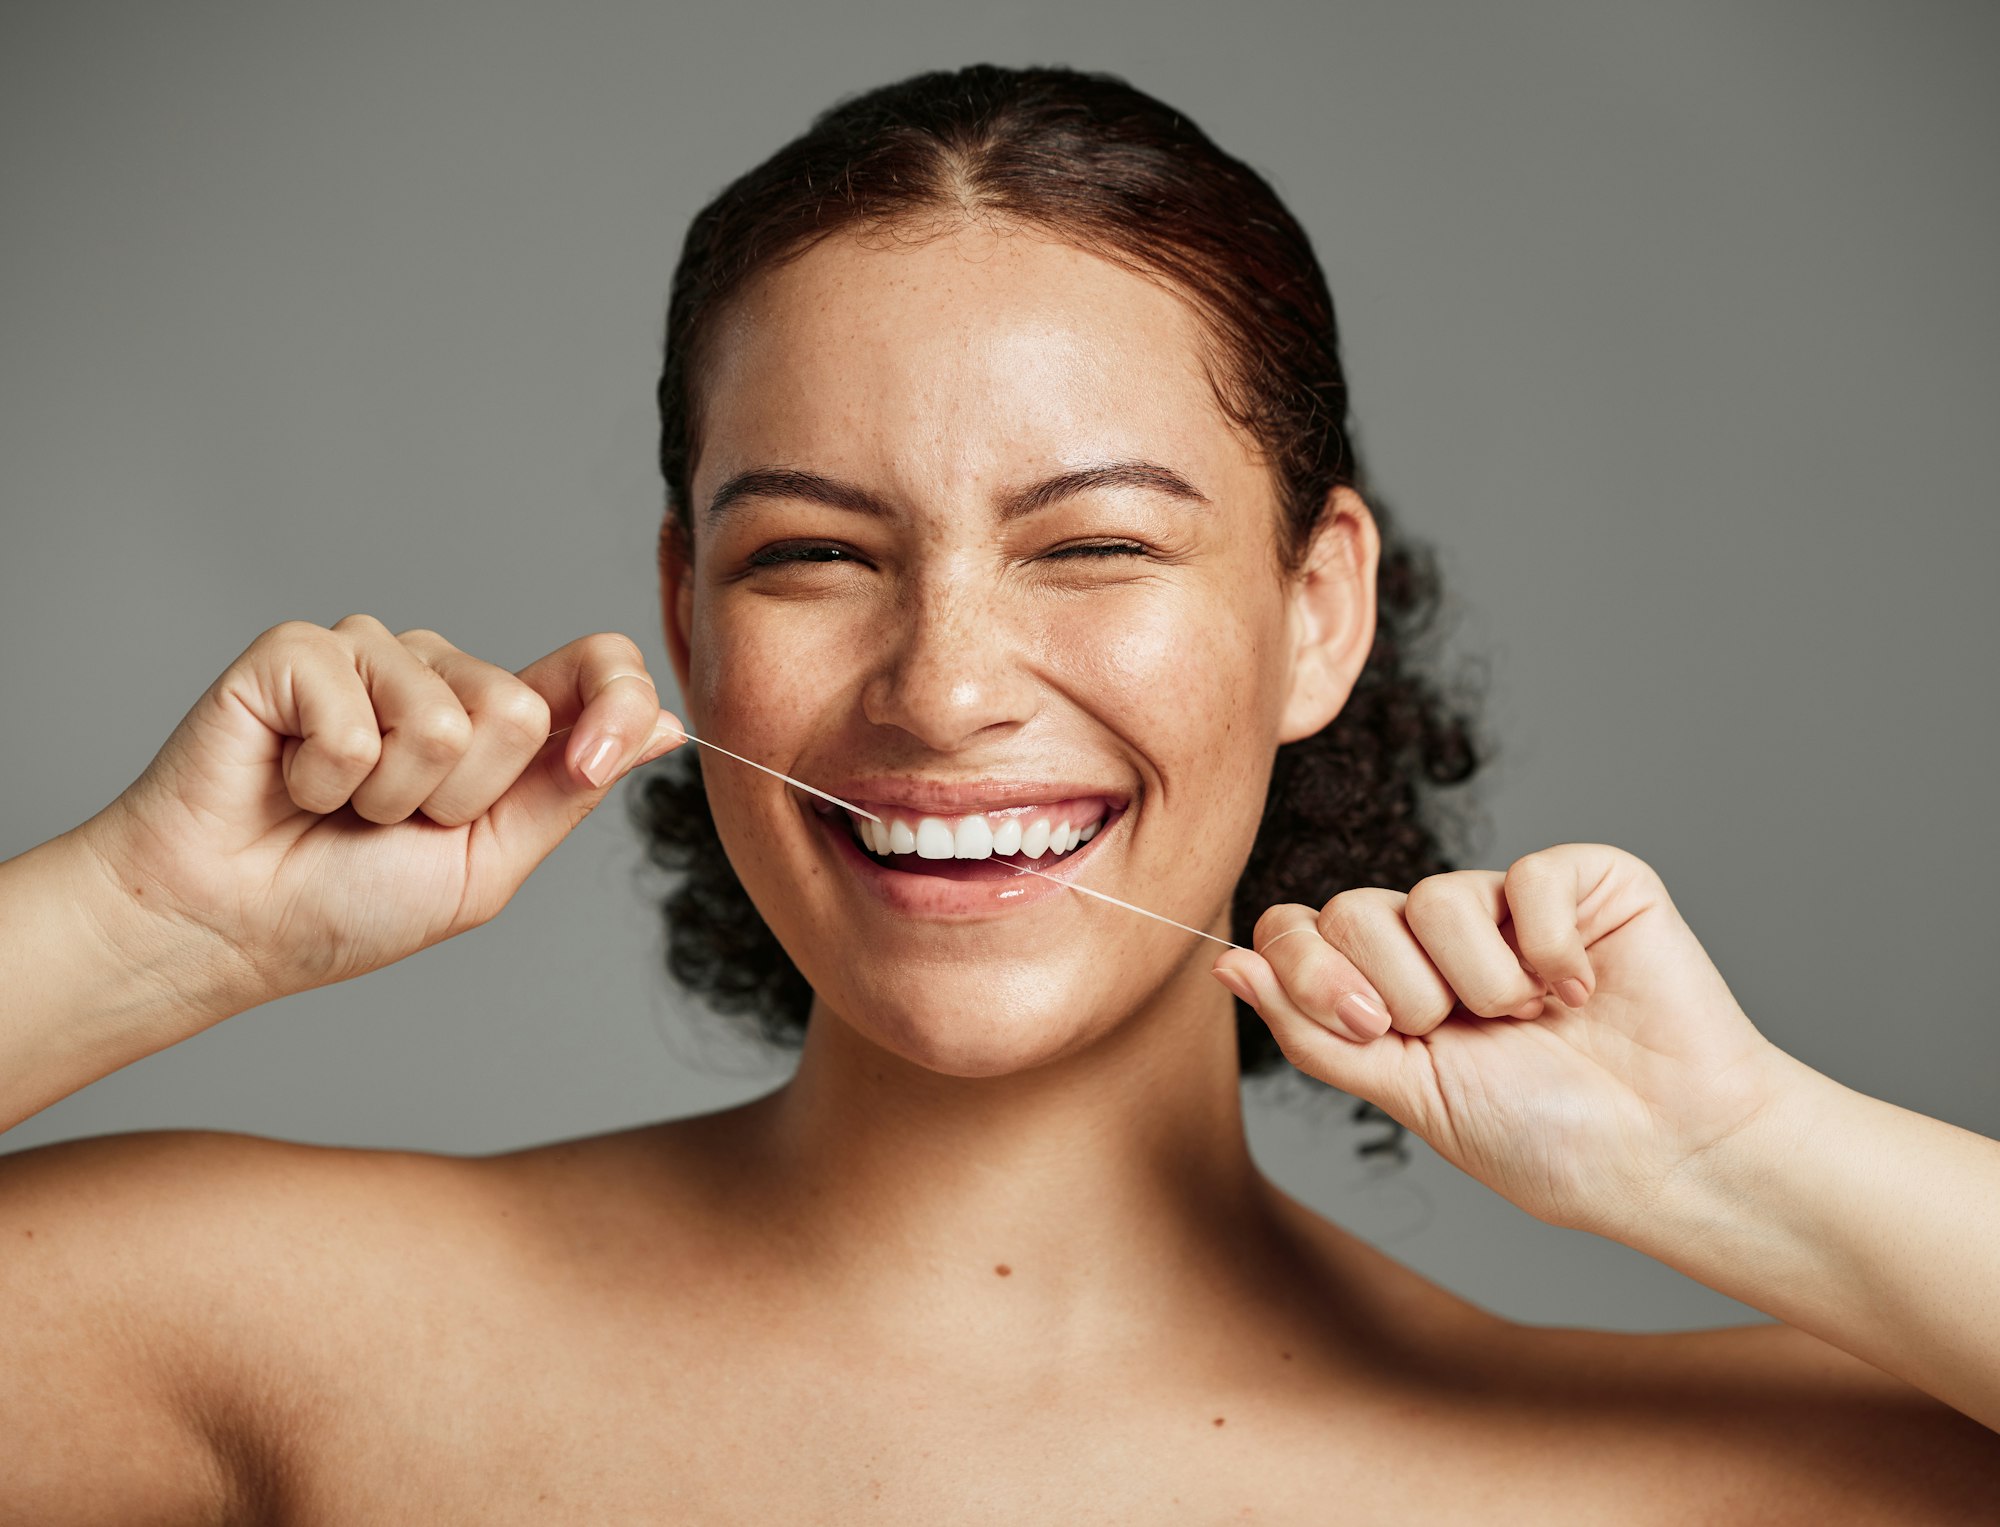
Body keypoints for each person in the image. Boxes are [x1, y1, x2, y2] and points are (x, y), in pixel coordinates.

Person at [2, 62, 1996, 1522]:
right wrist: (132, 924)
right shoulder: (285, 1335)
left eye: (1096, 546)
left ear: (1318, 614)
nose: (943, 687)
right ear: (686, 624)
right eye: (812, 555)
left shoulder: (1715, 1478)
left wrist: (1746, 1154)